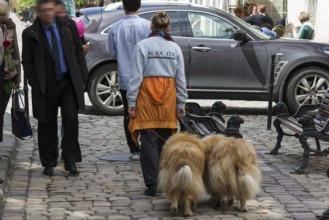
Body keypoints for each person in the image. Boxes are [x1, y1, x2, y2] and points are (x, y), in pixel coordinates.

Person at [22, 0, 88, 176]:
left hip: (68, 82)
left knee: (71, 120)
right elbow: (27, 61)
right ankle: (49, 162)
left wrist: (82, 76)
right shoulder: (30, 33)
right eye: (43, 11)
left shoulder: (68, 26)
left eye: (50, 10)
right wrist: (34, 81)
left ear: (55, 10)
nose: (47, 14)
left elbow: (78, 52)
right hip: (46, 84)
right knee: (46, 123)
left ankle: (70, 159)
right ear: (38, 12)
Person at [127, 11, 188, 195]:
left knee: (149, 140)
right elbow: (180, 79)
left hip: (146, 97)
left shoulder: (142, 46)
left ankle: (152, 183)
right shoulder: (174, 48)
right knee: (165, 140)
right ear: (168, 27)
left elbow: (135, 76)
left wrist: (131, 101)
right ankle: (165, 180)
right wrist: (181, 104)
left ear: (151, 26)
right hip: (168, 97)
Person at [108, 0, 150, 161]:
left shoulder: (115, 27)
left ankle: (134, 149)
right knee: (146, 112)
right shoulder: (147, 26)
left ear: (124, 7)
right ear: (139, 6)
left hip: (126, 76)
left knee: (129, 113)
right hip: (146, 77)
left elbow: (112, 52)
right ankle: (147, 144)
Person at [0, 0, 21, 143]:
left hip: (7, 75)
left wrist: (18, 76)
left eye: (3, 14)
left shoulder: (10, 25)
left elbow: (15, 51)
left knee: (0, 111)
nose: (2, 17)